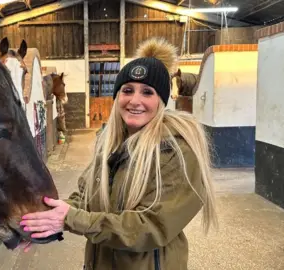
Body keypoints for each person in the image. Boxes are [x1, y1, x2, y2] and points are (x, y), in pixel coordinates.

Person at [18, 37, 218, 270]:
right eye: (128, 90)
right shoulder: (110, 145)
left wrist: (70, 218)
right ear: (117, 96)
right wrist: (44, 220)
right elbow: (85, 196)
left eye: (147, 92)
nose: (135, 100)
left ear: (161, 101)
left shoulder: (178, 152)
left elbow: (150, 227)